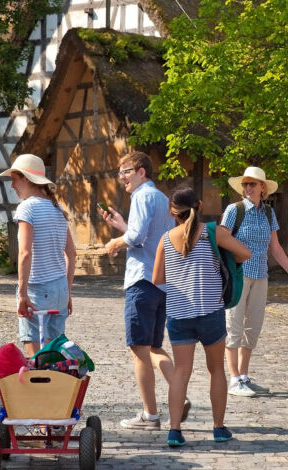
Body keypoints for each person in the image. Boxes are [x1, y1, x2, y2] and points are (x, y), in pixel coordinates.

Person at [98, 150, 190, 430]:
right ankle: (179, 391)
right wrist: (123, 228)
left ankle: (150, 416)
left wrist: (115, 242)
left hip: (141, 282)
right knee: (153, 346)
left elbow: (136, 238)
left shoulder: (140, 196)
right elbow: (148, 239)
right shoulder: (162, 198)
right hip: (161, 283)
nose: (121, 178)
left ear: (141, 172)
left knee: (138, 349)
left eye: (125, 171)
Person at [153, 186, 251, 447]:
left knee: (181, 372)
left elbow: (157, 279)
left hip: (178, 314)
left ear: (172, 212)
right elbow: (245, 253)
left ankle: (174, 431)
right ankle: (218, 428)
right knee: (216, 369)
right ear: (200, 204)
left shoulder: (165, 238)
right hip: (210, 311)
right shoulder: (212, 233)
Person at [221, 166, 288, 397]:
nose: (248, 187)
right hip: (238, 274)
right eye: (246, 184)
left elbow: (275, 247)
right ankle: (234, 378)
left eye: (253, 184)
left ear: (262, 188)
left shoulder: (268, 213)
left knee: (253, 327)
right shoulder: (234, 210)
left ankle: (244, 376)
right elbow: (223, 239)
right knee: (234, 325)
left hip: (261, 275)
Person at [0, 154, 77, 357]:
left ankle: (40, 388)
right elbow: (71, 253)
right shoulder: (57, 207)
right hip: (59, 288)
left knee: (35, 359)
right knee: (53, 355)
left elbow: (25, 253)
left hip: (37, 288)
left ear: (26, 179)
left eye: (14, 179)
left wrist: (22, 294)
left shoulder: (27, 207)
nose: (13, 185)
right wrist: (67, 291)